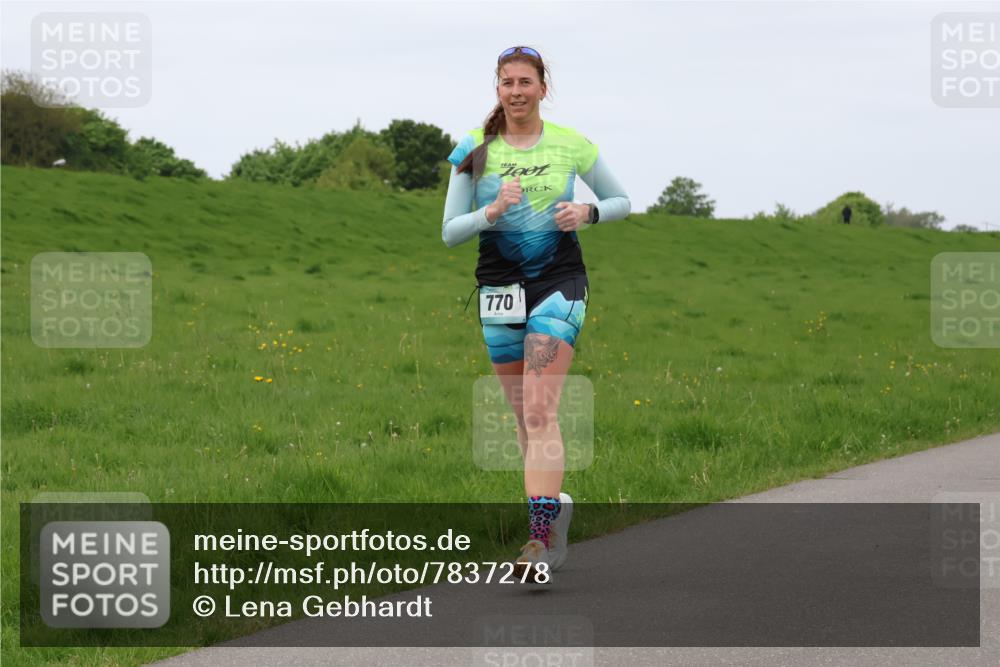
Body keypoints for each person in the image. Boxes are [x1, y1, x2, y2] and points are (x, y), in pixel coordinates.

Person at [441, 45, 630, 582]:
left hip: (558, 285)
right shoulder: (472, 149)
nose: (516, 92)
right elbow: (450, 232)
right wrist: (491, 211)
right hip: (499, 290)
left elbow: (622, 200)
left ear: (543, 87)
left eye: (526, 82)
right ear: (496, 89)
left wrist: (588, 212)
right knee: (525, 417)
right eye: (507, 83)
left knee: (542, 411)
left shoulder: (572, 144)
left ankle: (538, 540)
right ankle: (553, 510)